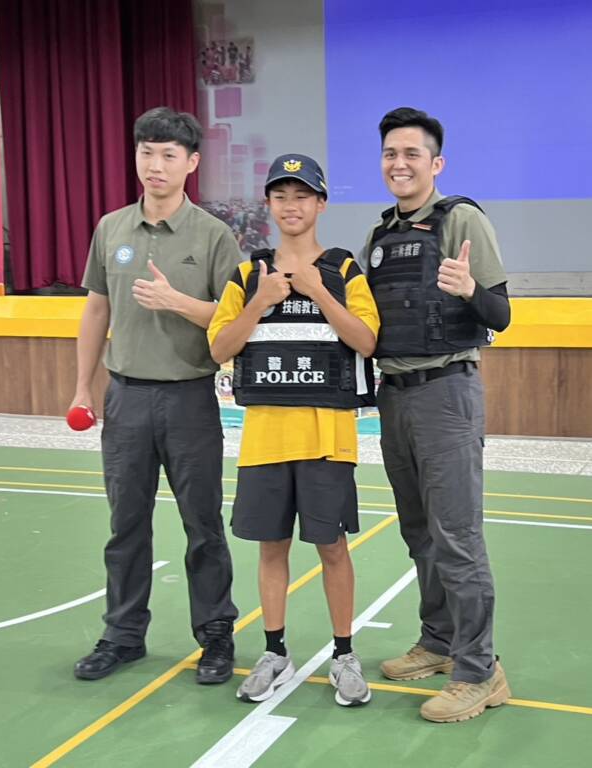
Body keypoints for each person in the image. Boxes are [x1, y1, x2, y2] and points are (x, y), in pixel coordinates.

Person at [70, 107, 239, 684]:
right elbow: (96, 310)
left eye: (169, 154)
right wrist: (83, 386)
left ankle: (215, 636)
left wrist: (177, 303)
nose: (156, 165)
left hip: (190, 399)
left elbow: (235, 320)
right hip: (126, 399)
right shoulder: (111, 228)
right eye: (147, 152)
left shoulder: (213, 235)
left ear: (192, 163)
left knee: (203, 525)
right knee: (126, 524)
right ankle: (122, 635)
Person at [208, 154, 379, 707]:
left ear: (320, 204)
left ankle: (344, 654)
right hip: (265, 439)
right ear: (269, 205)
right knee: (271, 548)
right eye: (281, 196)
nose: (291, 205)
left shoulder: (345, 270)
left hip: (328, 439)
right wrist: (260, 302)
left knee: (333, 548)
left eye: (302, 195)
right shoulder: (247, 275)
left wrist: (318, 291)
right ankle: (274, 652)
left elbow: (367, 340)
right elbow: (219, 346)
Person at [360, 107, 513, 722]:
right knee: (419, 532)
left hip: (446, 393)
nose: (399, 164)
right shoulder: (380, 236)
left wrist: (469, 289)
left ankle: (481, 671)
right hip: (394, 395)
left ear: (436, 163)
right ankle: (439, 640)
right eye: (390, 154)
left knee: (456, 536)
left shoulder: (462, 219)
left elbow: (501, 314)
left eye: (412, 154)